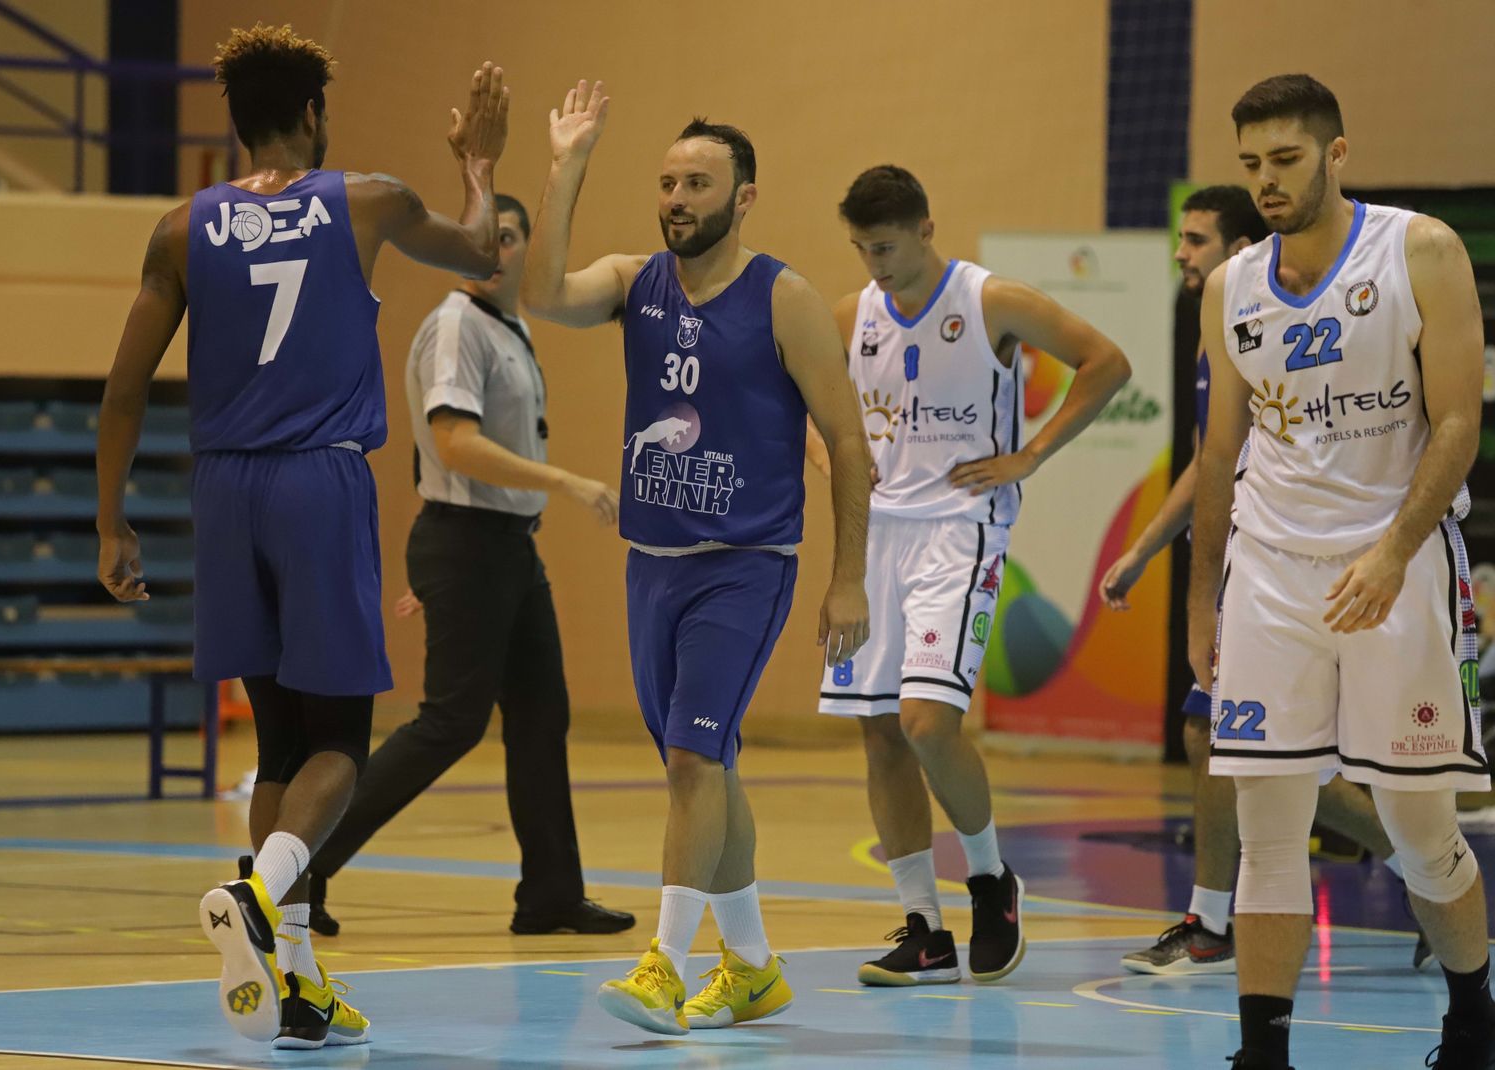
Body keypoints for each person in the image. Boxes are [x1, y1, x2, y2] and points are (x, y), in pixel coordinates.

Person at [95, 22, 508, 1048]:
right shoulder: (363, 198)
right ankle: (255, 894)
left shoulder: (180, 229)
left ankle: (298, 987)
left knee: (279, 740)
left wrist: (110, 518)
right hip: (318, 481)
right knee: (339, 743)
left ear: (235, 126)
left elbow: (123, 387)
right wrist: (480, 166)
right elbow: (482, 249)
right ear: (314, 116)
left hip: (223, 490)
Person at [522, 82, 873, 1036]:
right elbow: (542, 292)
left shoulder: (785, 297)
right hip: (653, 562)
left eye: (699, 184)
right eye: (668, 182)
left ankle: (665, 965)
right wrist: (569, 164)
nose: (678, 199)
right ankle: (755, 965)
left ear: (743, 196)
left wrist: (847, 577)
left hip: (746, 562)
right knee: (703, 769)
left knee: (692, 754)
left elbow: (847, 442)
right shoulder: (636, 282)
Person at [1188, 74, 1490, 1069]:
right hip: (1271, 573)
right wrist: (1203, 597)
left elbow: (1456, 419)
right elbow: (1217, 453)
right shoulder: (1231, 286)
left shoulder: (1419, 250)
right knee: (1268, 827)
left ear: (1335, 152)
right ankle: (1260, 1052)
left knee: (1416, 829)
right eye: (1250, 166)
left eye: (1284, 159)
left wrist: (1393, 549)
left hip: (1392, 565)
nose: (1266, 182)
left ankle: (1472, 1017)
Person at [814, 165, 1130, 986]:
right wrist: (833, 463)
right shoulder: (852, 315)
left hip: (961, 532)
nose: (874, 264)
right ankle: (923, 926)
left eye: (884, 246)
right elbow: (798, 406)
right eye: (860, 249)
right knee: (878, 730)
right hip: (873, 537)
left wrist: (1028, 456)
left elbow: (1106, 363)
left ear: (924, 228)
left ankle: (991, 880)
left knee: (925, 722)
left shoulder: (994, 301)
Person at [1104, 186, 1429, 977]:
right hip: (1253, 561)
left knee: (1244, 745)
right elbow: (1210, 463)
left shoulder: (1290, 318)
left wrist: (1148, 551)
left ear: (1243, 248)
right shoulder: (1223, 323)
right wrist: (1151, 551)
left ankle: (1227, 918)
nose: (1182, 253)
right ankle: (1418, 874)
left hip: (1307, 556)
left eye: (1196, 240)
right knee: (1243, 746)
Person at [301, 193, 634, 939]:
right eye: (483, 237)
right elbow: (452, 445)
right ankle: (300, 865)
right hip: (467, 540)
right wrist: (568, 482)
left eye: (509, 237)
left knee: (542, 718)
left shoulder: (508, 326)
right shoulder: (455, 325)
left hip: (504, 547)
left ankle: (550, 892)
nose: (496, 249)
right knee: (450, 722)